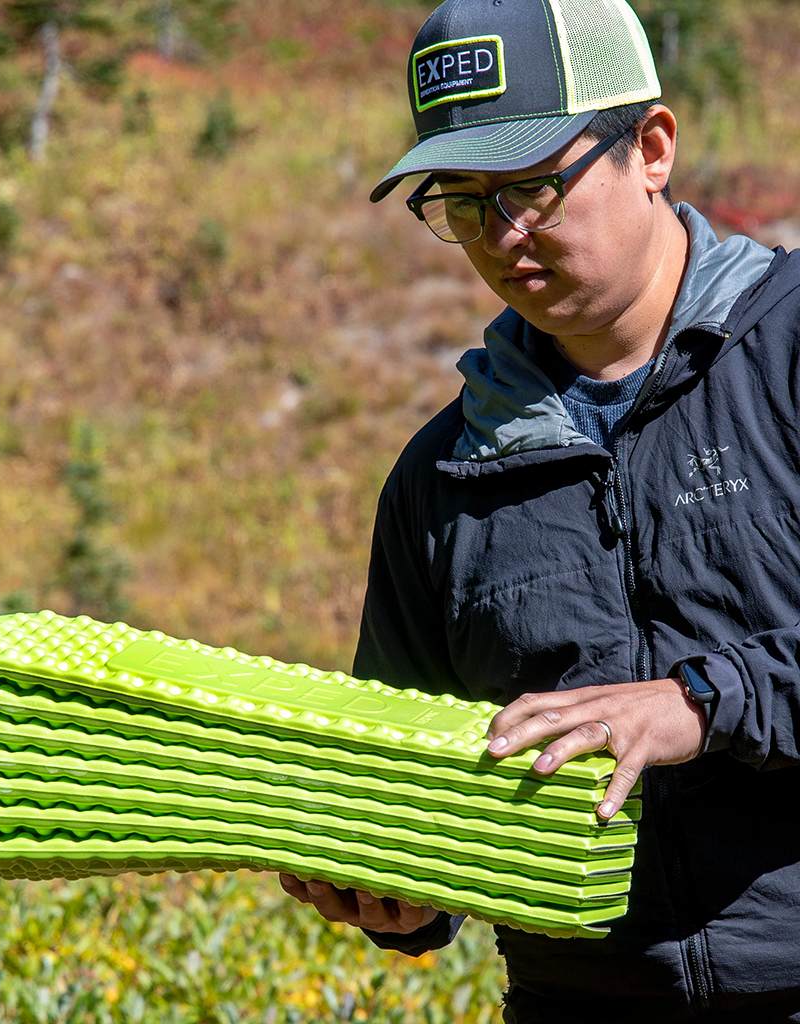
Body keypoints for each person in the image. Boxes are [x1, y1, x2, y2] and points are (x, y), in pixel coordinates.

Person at [279, 0, 800, 1020]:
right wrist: (396, 898)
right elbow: (419, 800)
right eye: (464, 203)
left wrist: (701, 701)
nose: (503, 235)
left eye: (531, 188)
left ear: (649, 148)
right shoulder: (440, 484)